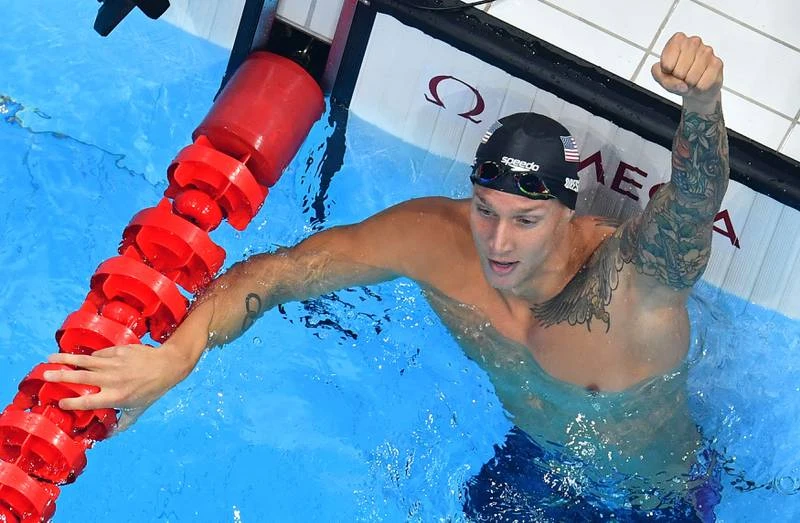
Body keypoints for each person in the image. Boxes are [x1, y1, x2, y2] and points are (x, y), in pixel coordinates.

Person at [44, 32, 728, 520]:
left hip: (654, 500)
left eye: (526, 220)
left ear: (567, 214)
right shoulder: (434, 239)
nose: (497, 242)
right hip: (531, 463)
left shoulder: (630, 285)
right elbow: (282, 272)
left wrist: (703, 101)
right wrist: (177, 356)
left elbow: (696, 203)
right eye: (485, 210)